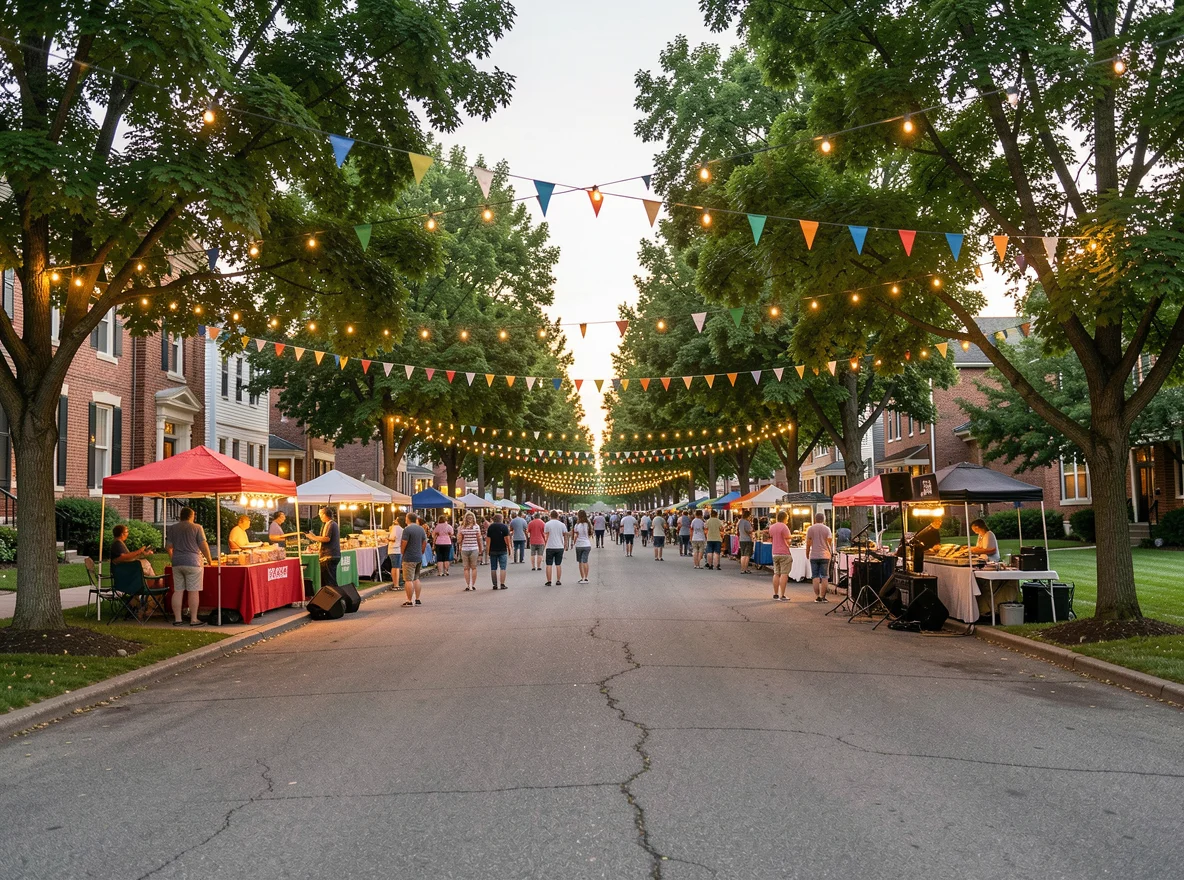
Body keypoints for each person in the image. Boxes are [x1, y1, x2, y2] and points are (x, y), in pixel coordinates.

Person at [166, 506, 213, 626]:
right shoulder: (197, 527)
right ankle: (193, 619)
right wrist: (209, 559)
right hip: (193, 562)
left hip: (177, 562)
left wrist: (173, 558)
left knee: (178, 591)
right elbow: (203, 544)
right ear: (192, 516)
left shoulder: (172, 528)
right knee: (193, 591)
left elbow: (168, 547)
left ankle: (177, 619)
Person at [305, 507, 340, 588]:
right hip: (331, 555)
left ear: (325, 514)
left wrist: (312, 537)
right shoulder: (330, 524)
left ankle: (335, 598)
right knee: (327, 581)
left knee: (329, 581)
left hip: (329, 556)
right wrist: (314, 537)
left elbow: (326, 538)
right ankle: (330, 598)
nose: (320, 516)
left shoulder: (330, 524)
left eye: (320, 514)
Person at [805, 512, 834, 602]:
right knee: (825, 576)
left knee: (815, 576)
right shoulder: (827, 529)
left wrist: (807, 552)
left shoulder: (810, 529)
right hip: (825, 554)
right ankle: (823, 596)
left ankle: (817, 596)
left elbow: (808, 542)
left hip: (814, 555)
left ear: (815, 519)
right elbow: (830, 540)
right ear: (823, 519)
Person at [400, 513, 426, 606]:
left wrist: (402, 551)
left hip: (409, 557)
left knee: (408, 579)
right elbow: (424, 542)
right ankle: (418, 599)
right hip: (418, 556)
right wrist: (422, 551)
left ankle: (409, 600)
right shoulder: (421, 529)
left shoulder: (407, 529)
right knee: (416, 578)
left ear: (408, 519)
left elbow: (404, 542)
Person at [768, 510, 792, 601]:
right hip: (784, 553)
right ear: (785, 518)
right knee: (784, 574)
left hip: (774, 552)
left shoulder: (772, 527)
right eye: (787, 519)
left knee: (776, 573)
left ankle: (775, 594)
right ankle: (782, 595)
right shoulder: (784, 527)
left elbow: (771, 538)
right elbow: (788, 539)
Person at [457, 512, 484, 591]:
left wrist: (460, 544)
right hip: (474, 548)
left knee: (466, 568)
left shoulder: (461, 527)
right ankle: (473, 584)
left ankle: (468, 585)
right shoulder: (476, 527)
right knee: (474, 567)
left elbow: (459, 540)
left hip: (464, 549)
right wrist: (481, 549)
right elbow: (479, 539)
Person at [543, 510, 568, 586]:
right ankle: (558, 580)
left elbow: (546, 535)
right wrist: (565, 545)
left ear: (550, 516)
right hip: (559, 546)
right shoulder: (562, 525)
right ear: (558, 516)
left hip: (550, 546)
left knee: (549, 564)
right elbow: (565, 535)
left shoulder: (547, 524)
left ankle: (549, 581)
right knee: (558, 564)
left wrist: (545, 544)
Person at [572, 510, 593, 583]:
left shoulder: (577, 525)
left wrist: (573, 543)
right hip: (587, 544)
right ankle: (586, 577)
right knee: (585, 561)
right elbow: (590, 534)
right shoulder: (588, 524)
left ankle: (582, 577)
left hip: (579, 545)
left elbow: (576, 535)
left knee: (580, 562)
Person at [384, 515, 404, 590]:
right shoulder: (402, 529)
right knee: (397, 567)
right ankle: (396, 584)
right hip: (398, 549)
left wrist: (387, 538)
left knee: (395, 567)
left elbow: (393, 538)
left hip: (394, 549)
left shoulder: (395, 528)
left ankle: (396, 584)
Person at [737, 510, 754, 575]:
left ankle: (742, 569)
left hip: (741, 539)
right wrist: (751, 530)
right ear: (748, 516)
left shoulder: (740, 521)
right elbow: (749, 531)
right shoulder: (747, 522)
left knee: (742, 555)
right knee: (747, 555)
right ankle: (745, 569)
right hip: (747, 539)